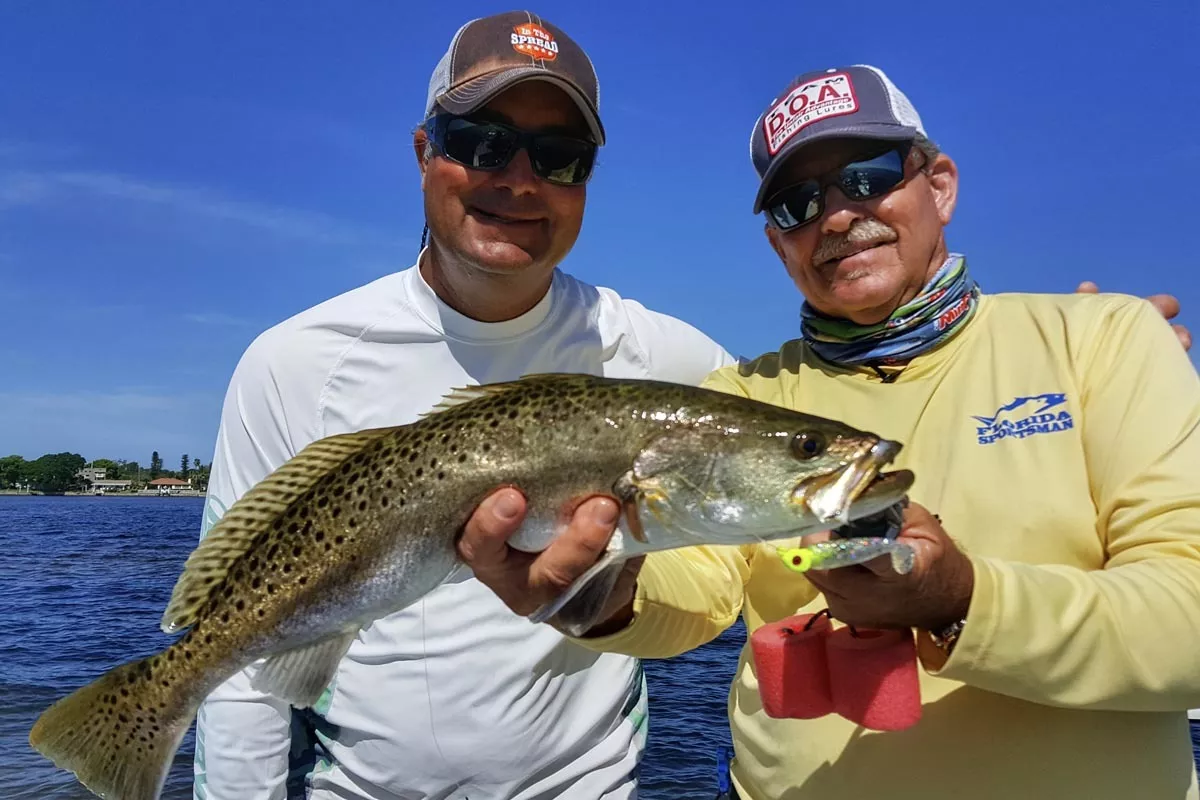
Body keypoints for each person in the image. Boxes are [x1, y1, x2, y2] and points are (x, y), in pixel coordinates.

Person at [459, 64, 1200, 799]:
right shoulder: (743, 393)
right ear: (778, 244)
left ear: (940, 186)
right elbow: (699, 593)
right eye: (798, 204)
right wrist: (603, 591)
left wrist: (960, 600)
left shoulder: (1105, 338)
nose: (838, 218)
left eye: (868, 177)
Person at [192, 11, 736, 799]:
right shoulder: (294, 362)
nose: (519, 179)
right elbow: (238, 666)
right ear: (424, 153)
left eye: (558, 156)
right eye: (481, 142)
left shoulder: (669, 358)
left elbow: (750, 553)